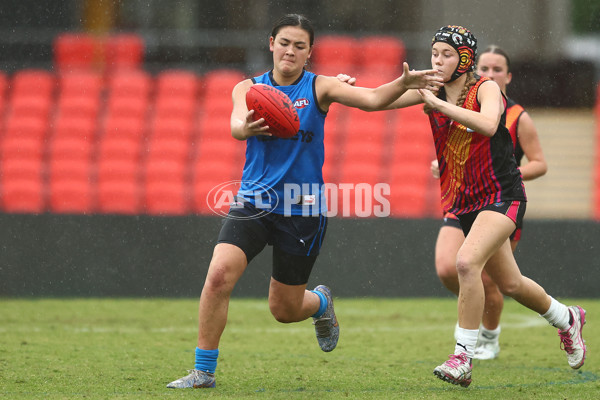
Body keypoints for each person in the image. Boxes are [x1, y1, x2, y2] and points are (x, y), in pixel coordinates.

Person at [166, 14, 443, 389]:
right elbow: (234, 125)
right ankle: (203, 372)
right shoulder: (247, 88)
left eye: (299, 45)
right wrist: (244, 128)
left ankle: (320, 304)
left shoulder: (321, 88)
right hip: (254, 201)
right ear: (271, 44)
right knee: (217, 277)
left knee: (284, 310)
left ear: (310, 52)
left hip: (303, 208)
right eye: (284, 43)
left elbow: (374, 99)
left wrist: (407, 84)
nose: (290, 51)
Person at [378, 25, 586, 387]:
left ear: (464, 59)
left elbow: (490, 125)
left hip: (503, 195)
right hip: (466, 201)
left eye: (446, 54)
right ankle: (567, 318)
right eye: (435, 53)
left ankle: (462, 357)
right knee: (511, 283)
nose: (438, 61)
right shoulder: (432, 88)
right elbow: (374, 101)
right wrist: (336, 90)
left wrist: (437, 103)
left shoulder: (484, 88)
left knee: (465, 262)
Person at [431, 45, 548, 360]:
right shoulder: (457, 101)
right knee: (448, 267)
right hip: (464, 199)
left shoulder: (517, 116)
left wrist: (507, 170)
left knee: (491, 276)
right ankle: (477, 321)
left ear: (507, 77)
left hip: (498, 199)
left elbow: (540, 163)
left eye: (497, 70)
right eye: (484, 68)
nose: (489, 74)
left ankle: (486, 338)